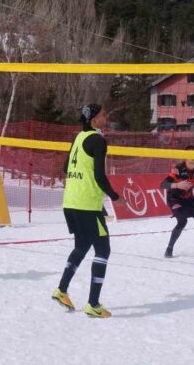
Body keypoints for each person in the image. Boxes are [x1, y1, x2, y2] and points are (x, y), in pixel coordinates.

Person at [52, 104, 120, 318]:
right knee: (103, 250)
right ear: (93, 120)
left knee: (81, 246)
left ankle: (61, 290)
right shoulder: (98, 140)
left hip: (70, 201)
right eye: (103, 114)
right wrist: (116, 197)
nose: (106, 116)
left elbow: (65, 168)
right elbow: (99, 177)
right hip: (87, 204)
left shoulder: (78, 137)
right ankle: (93, 303)